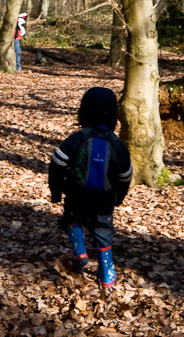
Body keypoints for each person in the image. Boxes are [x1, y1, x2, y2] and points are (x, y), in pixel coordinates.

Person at [48, 86, 132, 288]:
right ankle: (106, 272)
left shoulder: (78, 138)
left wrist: (56, 192)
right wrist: (118, 198)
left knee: (71, 218)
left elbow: (57, 164)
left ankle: (80, 251)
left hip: (76, 194)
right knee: (103, 231)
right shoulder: (117, 144)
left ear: (83, 111)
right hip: (104, 199)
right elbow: (125, 175)